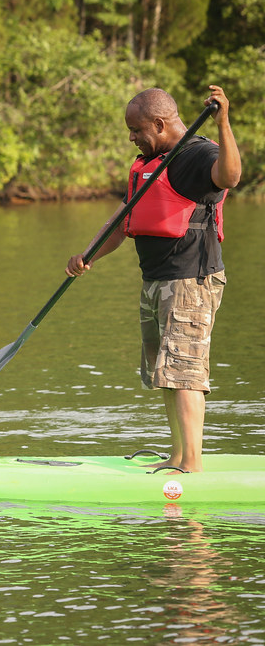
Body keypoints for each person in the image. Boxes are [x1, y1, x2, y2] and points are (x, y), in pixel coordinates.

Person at [65, 85, 241, 472]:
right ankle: (177, 455)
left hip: (191, 281)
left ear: (159, 124)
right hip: (157, 281)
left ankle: (190, 464)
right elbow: (122, 221)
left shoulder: (197, 155)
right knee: (166, 373)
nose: (131, 137)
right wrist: (87, 255)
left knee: (185, 373)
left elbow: (229, 176)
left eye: (136, 129)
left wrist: (224, 123)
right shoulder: (150, 163)